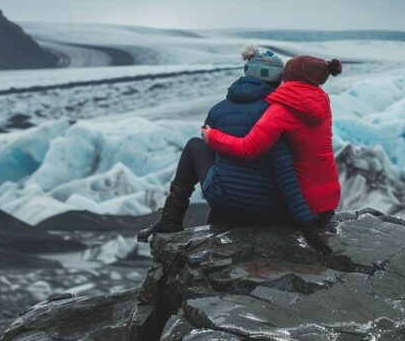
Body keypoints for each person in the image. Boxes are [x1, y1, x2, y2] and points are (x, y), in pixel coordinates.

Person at [137, 46, 332, 255]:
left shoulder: (218, 110)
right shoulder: (278, 113)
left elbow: (213, 149)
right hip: (269, 210)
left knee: (197, 145)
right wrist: (306, 222)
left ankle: (170, 219)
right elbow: (284, 172)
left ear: (246, 73)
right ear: (279, 80)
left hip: (224, 202)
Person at [201, 54, 343, 226]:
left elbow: (248, 148)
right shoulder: (322, 101)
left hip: (302, 206)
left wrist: (213, 136)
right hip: (328, 202)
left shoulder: (280, 109)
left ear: (288, 76)